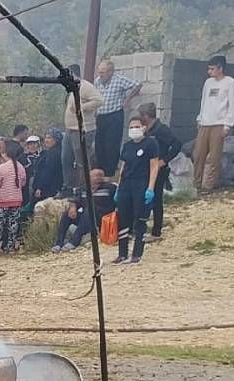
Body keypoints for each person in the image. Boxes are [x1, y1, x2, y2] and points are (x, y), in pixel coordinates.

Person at [113, 116, 161, 264]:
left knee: (139, 219)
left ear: (144, 128)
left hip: (141, 183)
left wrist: (151, 188)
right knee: (123, 219)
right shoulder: (127, 146)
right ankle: (122, 253)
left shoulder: (150, 143)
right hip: (126, 184)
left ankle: (137, 254)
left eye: (137, 126)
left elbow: (154, 166)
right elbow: (123, 167)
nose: (134, 129)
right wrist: (118, 187)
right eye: (131, 127)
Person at [192, 55, 234, 194]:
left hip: (219, 123)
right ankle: (196, 183)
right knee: (198, 153)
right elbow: (204, 102)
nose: (209, 72)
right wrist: (200, 118)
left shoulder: (230, 83)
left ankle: (208, 185)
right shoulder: (208, 83)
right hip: (205, 122)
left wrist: (228, 125)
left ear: (220, 68)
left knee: (213, 157)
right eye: (209, 69)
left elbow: (232, 104)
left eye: (212, 69)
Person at [137, 103, 181, 241]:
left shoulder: (162, 130)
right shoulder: (146, 130)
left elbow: (177, 144)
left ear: (146, 116)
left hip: (159, 169)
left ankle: (156, 232)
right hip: (145, 169)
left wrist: (164, 160)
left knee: (156, 200)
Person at [94, 59, 143, 176]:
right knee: (99, 145)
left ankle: (110, 172)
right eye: (99, 72)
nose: (100, 75)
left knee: (111, 145)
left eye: (103, 72)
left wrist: (128, 98)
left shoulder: (119, 80)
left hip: (114, 115)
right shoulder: (97, 81)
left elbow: (137, 85)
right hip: (101, 116)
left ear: (110, 72)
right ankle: (100, 171)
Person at [61, 64, 102, 195]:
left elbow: (99, 101)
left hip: (83, 129)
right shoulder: (71, 88)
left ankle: (84, 186)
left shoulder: (86, 86)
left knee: (82, 160)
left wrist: (81, 107)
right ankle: (67, 186)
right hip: (69, 129)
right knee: (66, 158)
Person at [53, 168, 116, 252]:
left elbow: (118, 200)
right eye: (95, 175)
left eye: (100, 175)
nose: (98, 177)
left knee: (89, 210)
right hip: (85, 219)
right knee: (67, 214)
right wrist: (73, 207)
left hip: (103, 218)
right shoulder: (83, 189)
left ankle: (74, 241)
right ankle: (58, 243)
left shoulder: (109, 187)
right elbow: (75, 201)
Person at [0, 139, 27, 255]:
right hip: (17, 200)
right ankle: (11, 246)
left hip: (3, 200)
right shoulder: (21, 167)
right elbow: (23, 183)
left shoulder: (3, 167)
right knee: (13, 223)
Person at [31, 129, 64, 202]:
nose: (46, 140)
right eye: (46, 137)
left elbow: (48, 172)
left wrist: (40, 187)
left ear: (56, 140)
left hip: (49, 190)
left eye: (49, 138)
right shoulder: (57, 152)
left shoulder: (53, 154)